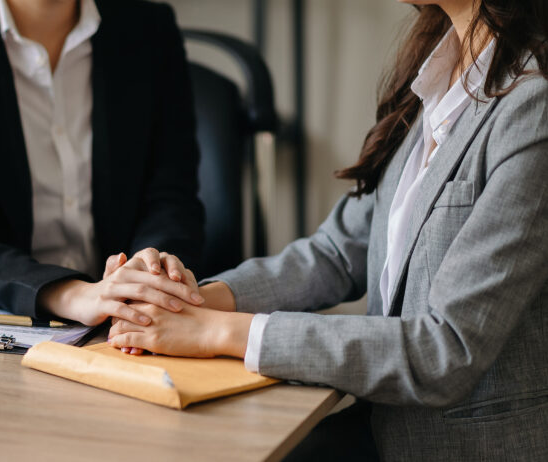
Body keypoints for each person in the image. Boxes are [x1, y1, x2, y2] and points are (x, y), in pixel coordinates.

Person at [108, 0, 548, 459]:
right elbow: (337, 253)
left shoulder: (532, 107)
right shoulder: (440, 75)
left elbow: (445, 349)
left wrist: (217, 331)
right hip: (379, 426)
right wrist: (182, 297)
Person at [0, 0, 207, 326]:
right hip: (11, 316)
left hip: (132, 317)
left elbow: (171, 195)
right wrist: (73, 295)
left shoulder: (150, 28)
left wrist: (149, 271)